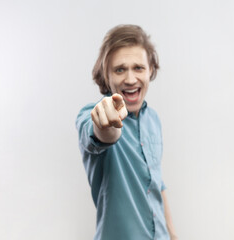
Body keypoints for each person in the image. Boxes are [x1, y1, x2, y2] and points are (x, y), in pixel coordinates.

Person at [76, 24, 178, 240]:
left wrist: (173, 234)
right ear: (107, 75)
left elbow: (157, 183)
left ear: (151, 70)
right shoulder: (92, 115)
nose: (130, 79)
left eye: (138, 68)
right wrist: (106, 125)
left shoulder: (154, 120)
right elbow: (101, 134)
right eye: (120, 69)